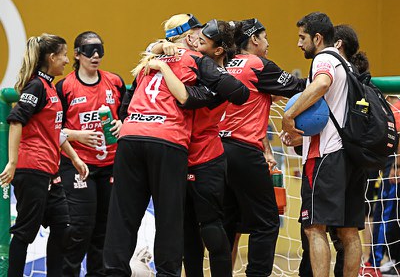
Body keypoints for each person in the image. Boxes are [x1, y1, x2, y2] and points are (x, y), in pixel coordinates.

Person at [103, 14, 249, 277]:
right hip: (171, 142)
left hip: (131, 138)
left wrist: (157, 50)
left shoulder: (147, 61)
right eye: (197, 33)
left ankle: (114, 272)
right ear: (190, 35)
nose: (199, 38)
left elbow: (126, 105)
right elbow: (238, 92)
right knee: (174, 222)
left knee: (122, 218)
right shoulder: (196, 60)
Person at [218, 18, 306, 277]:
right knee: (267, 222)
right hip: (244, 150)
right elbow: (299, 87)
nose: (268, 44)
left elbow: (256, 95)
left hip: (216, 151)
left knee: (227, 222)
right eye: (265, 38)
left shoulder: (222, 66)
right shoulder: (258, 65)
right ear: (254, 39)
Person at [282, 12, 366, 277]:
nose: (298, 43)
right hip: (352, 155)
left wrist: (289, 114)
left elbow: (321, 84)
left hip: (327, 156)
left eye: (302, 37)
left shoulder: (324, 58)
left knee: (314, 227)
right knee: (349, 231)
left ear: (317, 38)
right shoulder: (348, 64)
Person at [0, 34, 88, 277]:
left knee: (63, 226)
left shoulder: (49, 87)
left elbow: (54, 131)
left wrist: (75, 158)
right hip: (32, 169)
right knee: (24, 233)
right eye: (63, 55)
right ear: (51, 57)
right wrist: (12, 162)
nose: (67, 60)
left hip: (50, 171)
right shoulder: (36, 85)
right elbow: (16, 121)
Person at [55, 31, 126, 276]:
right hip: (78, 164)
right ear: (76, 54)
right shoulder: (65, 87)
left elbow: (130, 116)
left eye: (100, 50)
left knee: (104, 228)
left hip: (110, 163)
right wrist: (77, 136)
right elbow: (52, 128)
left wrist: (123, 125)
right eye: (88, 50)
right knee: (80, 227)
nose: (95, 55)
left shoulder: (115, 82)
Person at [359, 95, 400, 277]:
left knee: (385, 212)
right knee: (381, 212)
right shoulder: (393, 111)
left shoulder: (395, 110)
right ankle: (382, 261)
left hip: (392, 164)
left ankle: (375, 261)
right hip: (385, 162)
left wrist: (396, 165)